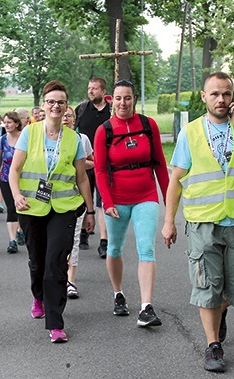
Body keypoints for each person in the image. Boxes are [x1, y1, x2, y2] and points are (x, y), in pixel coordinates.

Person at [161, 72, 234, 372]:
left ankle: (220, 312)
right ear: (204, 97)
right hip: (202, 222)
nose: (221, 99)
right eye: (214, 94)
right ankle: (213, 345)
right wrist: (169, 222)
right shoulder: (191, 132)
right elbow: (175, 181)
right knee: (207, 285)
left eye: (226, 94)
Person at [9, 80, 95, 343]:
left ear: (66, 106)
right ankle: (38, 296)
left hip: (64, 208)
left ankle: (55, 323)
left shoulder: (74, 138)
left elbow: (82, 178)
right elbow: (14, 170)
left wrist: (90, 211)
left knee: (55, 263)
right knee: (37, 261)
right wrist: (16, 196)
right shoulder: (30, 132)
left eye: (60, 102)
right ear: (43, 106)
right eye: (51, 101)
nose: (55, 106)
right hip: (32, 207)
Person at [94, 79, 169, 328]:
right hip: (117, 199)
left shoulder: (148, 125)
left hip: (146, 195)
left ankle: (146, 307)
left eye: (127, 97)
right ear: (110, 100)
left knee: (146, 248)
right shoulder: (104, 130)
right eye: (118, 98)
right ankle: (118, 293)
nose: (123, 103)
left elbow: (159, 163)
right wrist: (107, 201)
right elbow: (101, 171)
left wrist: (169, 200)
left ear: (134, 99)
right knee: (114, 249)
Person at [74, 77, 111, 258]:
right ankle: (82, 233)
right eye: (89, 88)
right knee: (82, 198)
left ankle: (104, 241)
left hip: (107, 164)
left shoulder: (111, 112)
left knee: (102, 202)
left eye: (95, 88)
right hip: (85, 162)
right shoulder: (81, 109)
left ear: (103, 91)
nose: (91, 91)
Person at [63, 106, 93, 299]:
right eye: (63, 115)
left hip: (75, 195)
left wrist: (78, 165)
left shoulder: (81, 139)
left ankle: (70, 280)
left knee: (73, 240)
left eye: (69, 115)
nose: (65, 118)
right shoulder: (46, 137)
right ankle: (57, 277)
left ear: (74, 119)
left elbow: (92, 162)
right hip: (53, 198)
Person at [0, 111, 23, 254]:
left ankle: (20, 229)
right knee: (11, 207)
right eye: (5, 122)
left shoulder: (24, 138)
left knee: (21, 208)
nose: (7, 125)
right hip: (6, 178)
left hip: (24, 179)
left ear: (17, 123)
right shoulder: (2, 140)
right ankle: (12, 240)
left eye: (9, 122)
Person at [12, 107, 31, 245]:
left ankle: (22, 228)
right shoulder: (7, 135)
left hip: (30, 179)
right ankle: (17, 231)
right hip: (14, 175)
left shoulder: (33, 133)